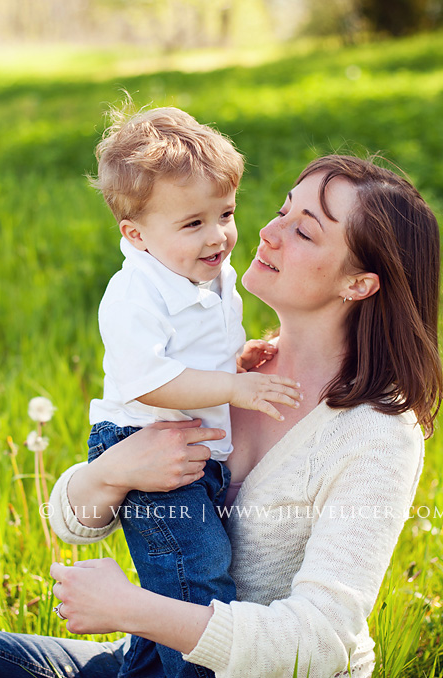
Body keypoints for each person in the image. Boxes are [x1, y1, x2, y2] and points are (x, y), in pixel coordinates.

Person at [0, 153, 443, 678]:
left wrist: (132, 609)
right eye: (281, 211)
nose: (267, 233)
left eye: (304, 231)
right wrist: (114, 471)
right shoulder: (221, 372)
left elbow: (320, 643)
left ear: (360, 282)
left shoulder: (376, 434)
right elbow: (70, 518)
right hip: (150, 660)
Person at [84, 105, 302, 678]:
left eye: (225, 213)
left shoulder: (206, 271)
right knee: (194, 583)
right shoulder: (136, 294)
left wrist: (238, 358)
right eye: (193, 224)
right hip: (144, 444)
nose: (220, 236)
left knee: (187, 582)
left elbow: (198, 353)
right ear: (135, 233)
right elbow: (147, 381)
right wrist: (234, 385)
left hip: (187, 445)